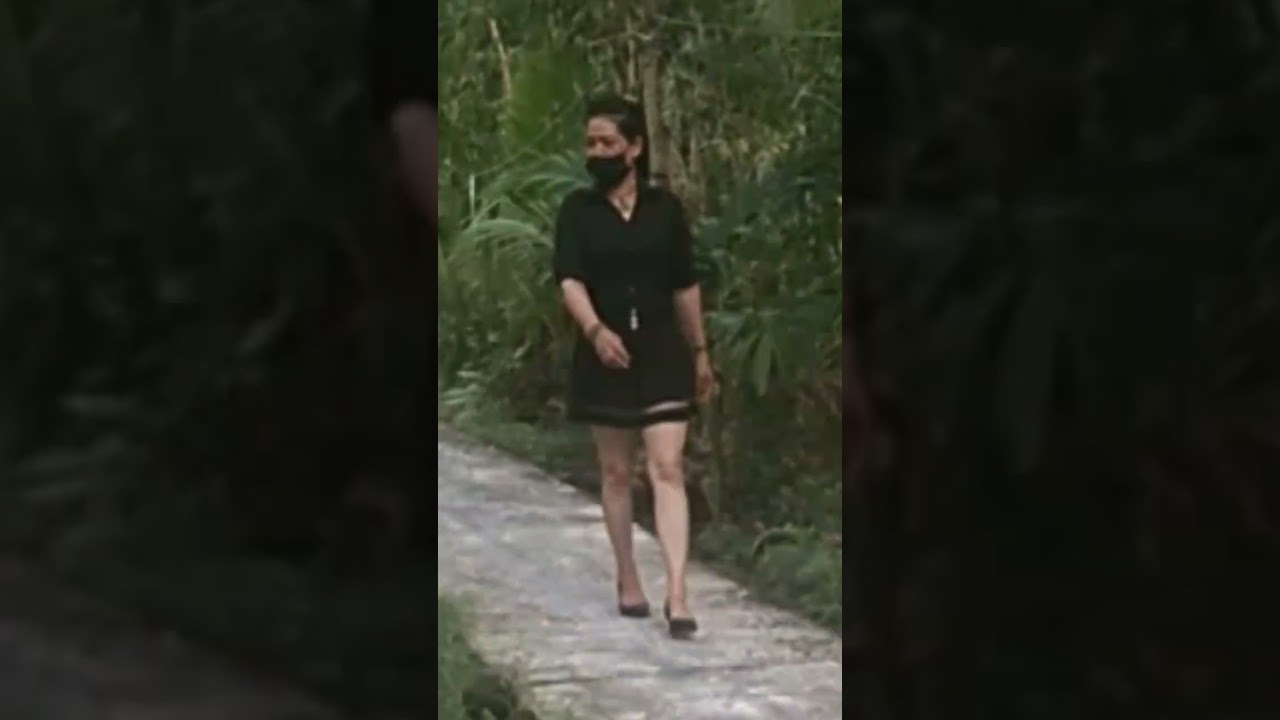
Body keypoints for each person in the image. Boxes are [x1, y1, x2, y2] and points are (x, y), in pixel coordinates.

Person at [552, 93, 715, 640]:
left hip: (663, 351)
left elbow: (684, 284)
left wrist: (700, 351)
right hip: (607, 352)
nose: (597, 152)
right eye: (590, 143)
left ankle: (678, 593)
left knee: (667, 467)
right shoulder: (577, 211)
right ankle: (627, 577)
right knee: (618, 471)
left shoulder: (666, 210)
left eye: (608, 143)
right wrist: (595, 330)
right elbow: (569, 278)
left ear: (635, 148)